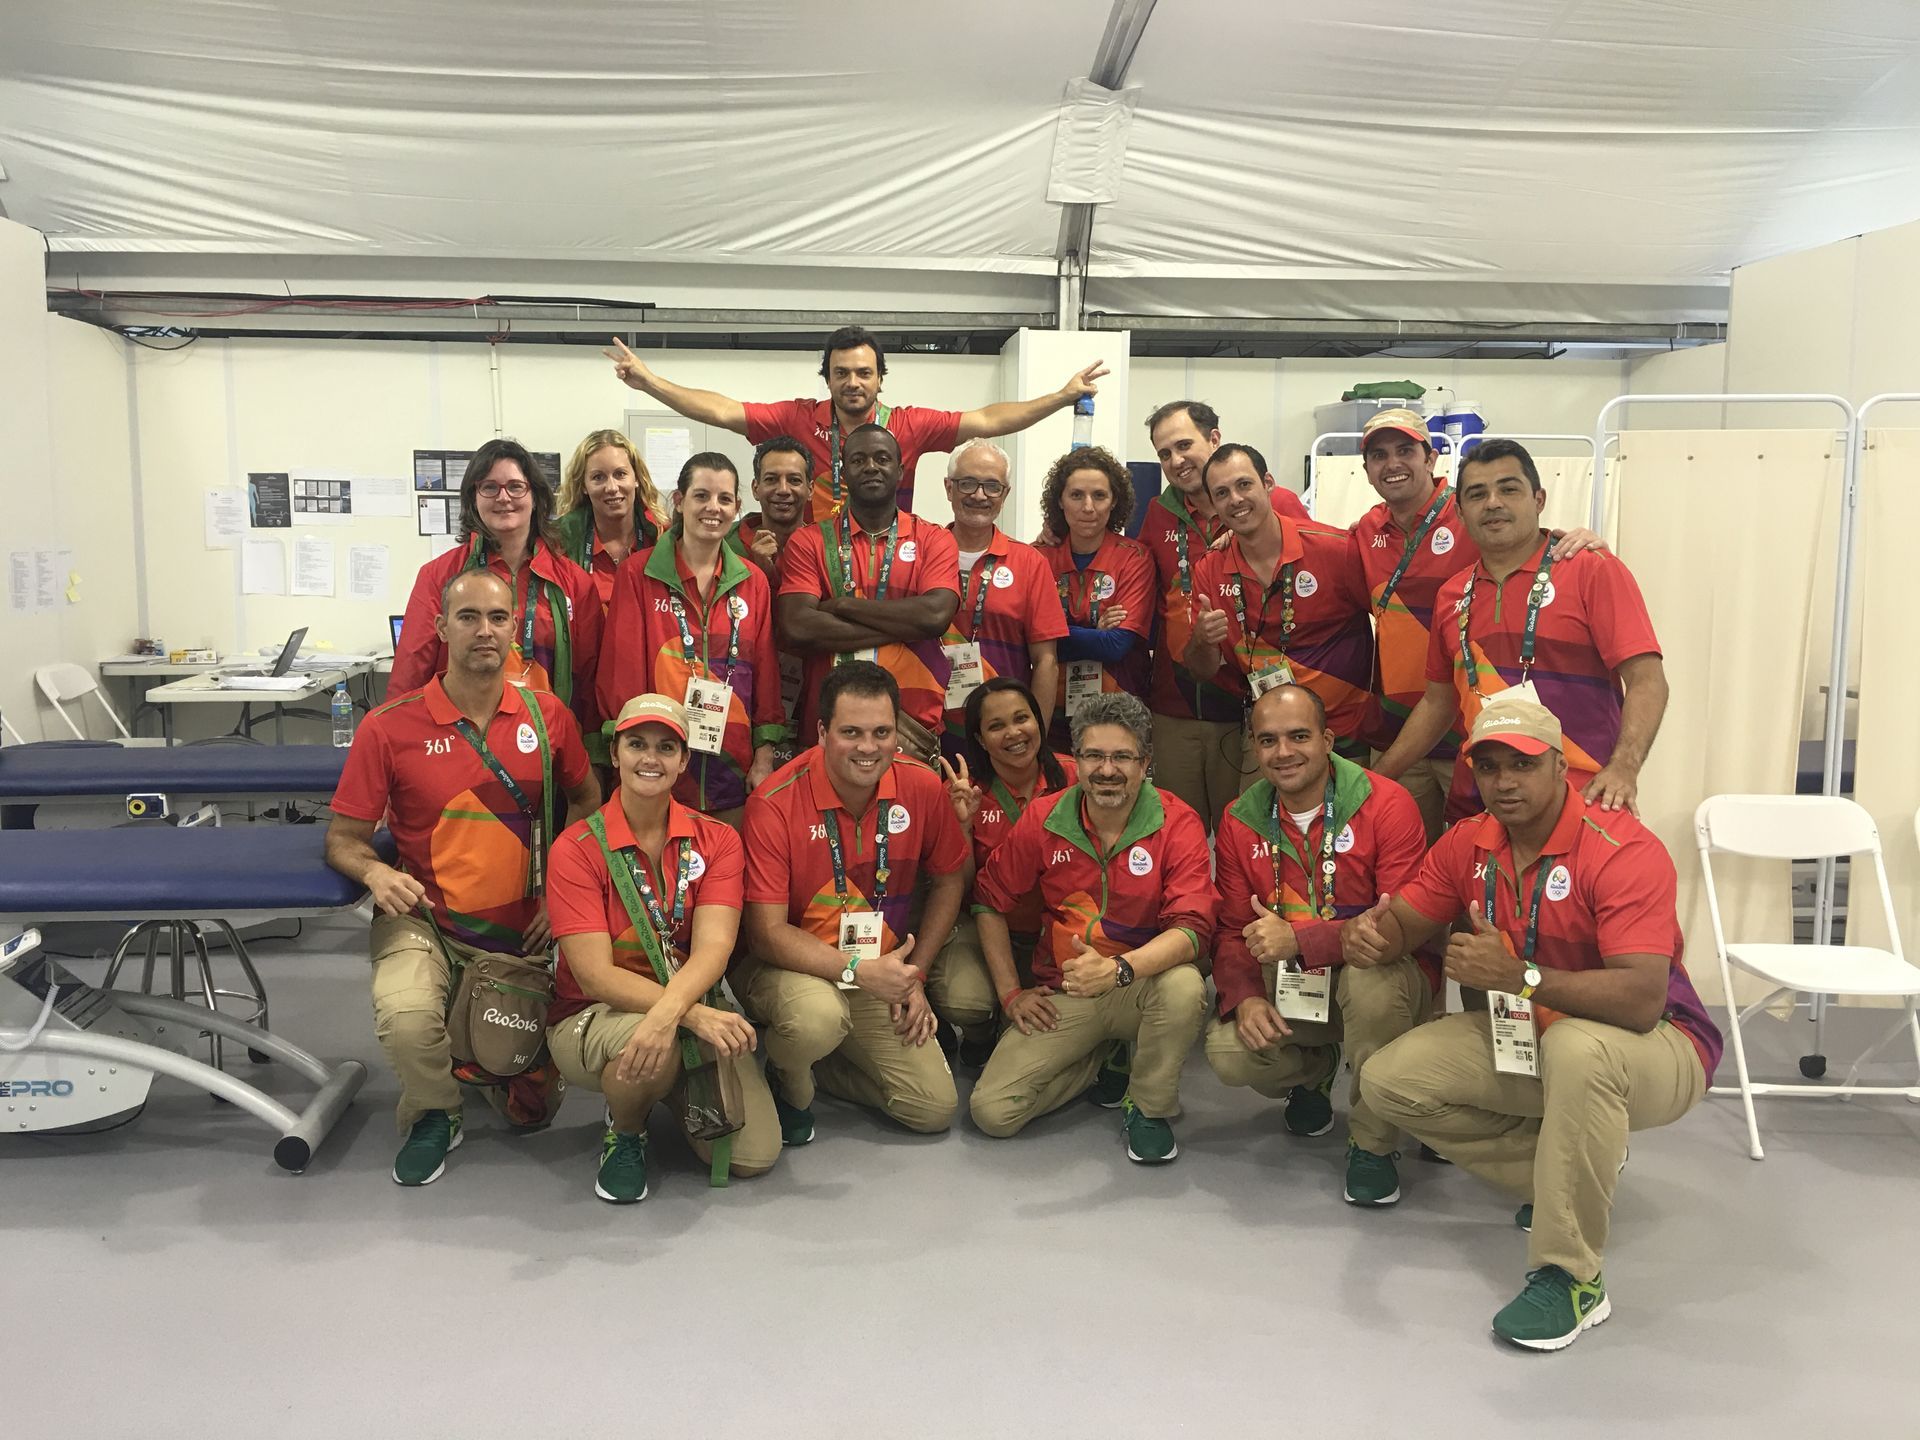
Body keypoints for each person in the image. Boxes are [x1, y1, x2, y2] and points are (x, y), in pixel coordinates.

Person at [1354, 696, 1721, 1351]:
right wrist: (1365, 937)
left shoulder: (1621, 849)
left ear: (1559, 766)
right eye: (1488, 767)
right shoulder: (1468, 841)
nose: (1504, 782)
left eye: (1522, 765)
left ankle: (1572, 1278)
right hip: (1536, 1036)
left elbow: (1642, 998)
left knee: (1579, 1048)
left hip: (1662, 1042)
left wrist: (1521, 976)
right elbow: (1402, 926)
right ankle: (1572, 1164)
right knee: (1389, 1081)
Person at [326, 569, 600, 1185]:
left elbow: (588, 801)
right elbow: (342, 840)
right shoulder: (388, 727)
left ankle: (481, 1055)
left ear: (514, 630)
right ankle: (435, 1111)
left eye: (498, 618)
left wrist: (561, 894)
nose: (484, 631)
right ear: (441, 628)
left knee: (531, 1112)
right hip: (424, 922)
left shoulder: (547, 717)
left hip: (523, 932)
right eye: (468, 617)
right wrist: (375, 871)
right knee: (406, 1018)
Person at [545, 693, 780, 1203]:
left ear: (683, 761)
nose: (650, 758)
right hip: (595, 1013)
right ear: (615, 754)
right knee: (651, 1038)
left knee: (754, 1156)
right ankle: (626, 1130)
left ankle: (664, 1084)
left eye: (666, 747)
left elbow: (715, 947)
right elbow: (593, 975)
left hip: (687, 1001)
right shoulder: (576, 849)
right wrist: (686, 1016)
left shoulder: (718, 839)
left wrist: (678, 1011)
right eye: (637, 744)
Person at [1205, 684, 1434, 1206]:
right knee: (1228, 1051)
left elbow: (1395, 929)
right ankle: (1317, 1068)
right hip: (1295, 982)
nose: (1283, 752)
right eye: (1268, 740)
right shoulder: (1240, 818)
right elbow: (1232, 929)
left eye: (1299, 736)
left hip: (1384, 978)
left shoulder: (1387, 803)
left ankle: (1373, 1144)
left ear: (1328, 740)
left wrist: (1301, 937)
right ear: (1254, 747)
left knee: (1370, 981)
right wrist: (1246, 997)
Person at [968, 692, 1213, 1164]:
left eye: (1122, 756)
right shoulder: (1044, 817)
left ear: (1145, 763)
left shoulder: (1177, 821)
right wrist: (1009, 994)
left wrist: (1119, 969)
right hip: (1066, 989)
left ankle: (1148, 1107)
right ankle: (1105, 1055)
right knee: (993, 1112)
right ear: (1075, 761)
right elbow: (987, 900)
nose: (1106, 769)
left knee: (1184, 986)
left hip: (1141, 984)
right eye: (1094, 755)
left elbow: (1193, 930)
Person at [1372, 438, 1667, 821]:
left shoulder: (1590, 570)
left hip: (1580, 800)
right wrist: (1376, 780)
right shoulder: (1452, 595)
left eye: (1509, 489)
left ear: (1539, 499)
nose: (1493, 502)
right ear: (1459, 512)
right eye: (1477, 494)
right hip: (1479, 805)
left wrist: (1624, 768)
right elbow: (1437, 704)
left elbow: (1647, 680)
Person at [738, 662, 969, 1143]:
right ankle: (789, 1072)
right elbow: (766, 934)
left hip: (878, 969)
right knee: (817, 1018)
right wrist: (858, 971)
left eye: (882, 732)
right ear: (822, 732)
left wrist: (913, 975)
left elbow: (950, 880)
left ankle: (817, 1062)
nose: (868, 748)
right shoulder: (774, 802)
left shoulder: (922, 786)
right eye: (851, 732)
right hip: (790, 967)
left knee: (933, 1108)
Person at [1353, 411, 1606, 839]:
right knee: (1414, 859)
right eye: (1379, 455)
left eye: (1405, 450)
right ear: (1366, 469)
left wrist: (1580, 542)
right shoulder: (1364, 532)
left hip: (1479, 737)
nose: (1392, 463)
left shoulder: (1473, 513)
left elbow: (1531, 545)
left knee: (1493, 852)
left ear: (1430, 458)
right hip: (1402, 731)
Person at [607, 325, 1109, 520]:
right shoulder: (797, 417)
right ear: (827, 377)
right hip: (814, 564)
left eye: (864, 373)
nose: (852, 382)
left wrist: (1061, 397)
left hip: (888, 566)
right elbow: (721, 409)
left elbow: (989, 419)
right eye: (841, 373)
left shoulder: (907, 425)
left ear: (880, 378)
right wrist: (650, 382)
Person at [597, 453, 784, 824]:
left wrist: (764, 757)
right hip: (656, 772)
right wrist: (634, 757)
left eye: (724, 499)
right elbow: (621, 680)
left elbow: (766, 679)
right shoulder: (638, 574)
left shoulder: (753, 582)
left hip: (733, 775)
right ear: (679, 501)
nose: (713, 508)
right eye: (701, 496)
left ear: (737, 507)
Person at [775, 424, 959, 761]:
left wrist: (842, 606)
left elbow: (935, 616)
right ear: (843, 473)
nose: (871, 467)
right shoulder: (809, 541)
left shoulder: (934, 539)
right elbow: (798, 626)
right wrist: (907, 626)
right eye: (858, 460)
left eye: (882, 458)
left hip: (913, 724)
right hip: (830, 725)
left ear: (900, 471)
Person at [391, 439, 602, 726]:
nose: (503, 497)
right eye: (489, 487)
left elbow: (589, 679)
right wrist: (401, 737)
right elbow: (410, 672)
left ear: (536, 497)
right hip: (461, 737)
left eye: (515, 486)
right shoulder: (439, 575)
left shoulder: (574, 582)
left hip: (549, 737)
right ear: (473, 499)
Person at [1183, 443, 1375, 756]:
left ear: (1268, 483)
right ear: (1214, 504)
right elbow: (1201, 671)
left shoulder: (1336, 549)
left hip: (1345, 735)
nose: (1235, 499)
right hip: (1269, 740)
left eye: (1244, 484)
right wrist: (1203, 640)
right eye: (1222, 493)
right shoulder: (1210, 569)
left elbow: (1391, 625)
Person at [927, 676, 1079, 1066]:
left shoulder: (1076, 777)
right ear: (979, 739)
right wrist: (963, 825)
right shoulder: (963, 792)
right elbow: (960, 889)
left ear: (1038, 722)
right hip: (987, 929)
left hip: (1062, 930)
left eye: (1021, 719)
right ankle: (980, 1033)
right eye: (996, 726)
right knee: (967, 1001)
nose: (1013, 733)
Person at [1140, 401, 1257, 833]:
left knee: (1243, 834)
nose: (1176, 460)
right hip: (1174, 706)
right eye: (1164, 453)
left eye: (1184, 445)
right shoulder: (1157, 513)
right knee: (1176, 834)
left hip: (1246, 705)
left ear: (1214, 439)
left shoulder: (1262, 504)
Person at [938, 439, 1068, 750]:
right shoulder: (924, 552)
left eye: (992, 486)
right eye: (967, 483)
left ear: (1005, 494)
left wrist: (1035, 741)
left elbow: (1046, 661)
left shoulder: (1029, 562)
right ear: (949, 488)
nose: (979, 495)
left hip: (1005, 734)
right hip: (930, 727)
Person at [1033, 446, 1155, 754]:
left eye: (1099, 496)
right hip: (1051, 711)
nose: (1088, 507)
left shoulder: (1135, 558)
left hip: (1119, 711)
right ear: (1060, 500)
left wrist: (1051, 633)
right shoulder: (1036, 557)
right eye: (1076, 495)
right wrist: (1094, 633)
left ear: (1114, 501)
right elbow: (1024, 640)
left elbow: (1115, 645)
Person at [553, 428, 665, 614]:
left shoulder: (662, 537)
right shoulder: (560, 543)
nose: (612, 487)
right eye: (598, 477)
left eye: (620, 474)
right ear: (584, 486)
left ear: (636, 478)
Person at [728, 434, 811, 578]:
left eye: (794, 480)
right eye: (771, 479)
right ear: (755, 489)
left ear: (810, 490)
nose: (783, 490)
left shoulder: (824, 546)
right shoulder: (724, 543)